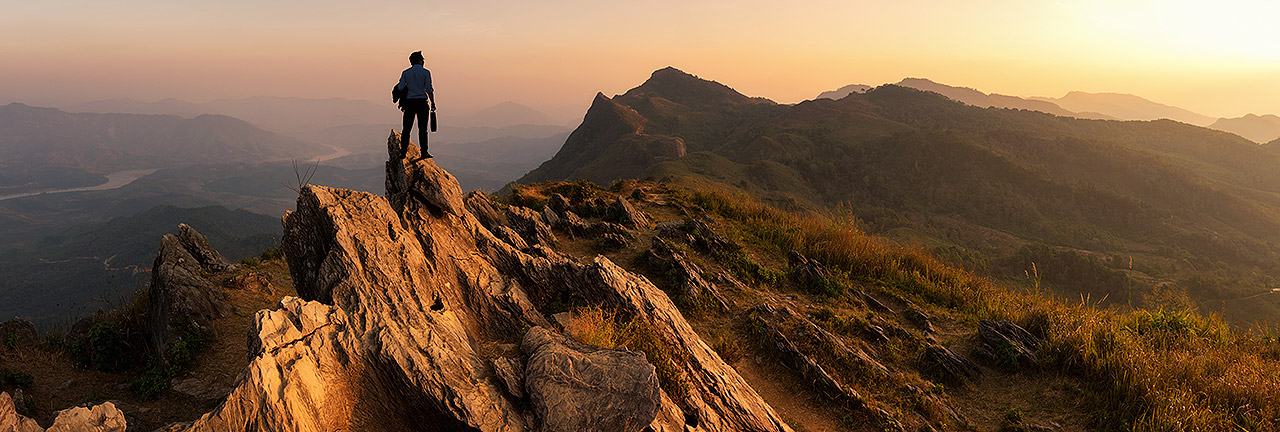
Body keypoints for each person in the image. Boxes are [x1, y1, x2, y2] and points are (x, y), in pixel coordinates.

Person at [394, 51, 435, 159]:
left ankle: (403, 152)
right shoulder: (426, 72)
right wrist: (433, 103)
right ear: (420, 60)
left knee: (406, 128)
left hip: (410, 103)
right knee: (422, 129)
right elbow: (429, 89)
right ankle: (424, 152)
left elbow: (401, 87)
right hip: (422, 102)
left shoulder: (406, 73)